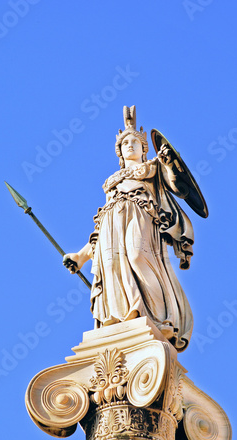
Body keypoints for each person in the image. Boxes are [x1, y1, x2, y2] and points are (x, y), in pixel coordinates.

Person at [63, 106, 194, 351]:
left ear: (144, 149)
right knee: (111, 264)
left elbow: (179, 189)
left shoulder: (153, 168)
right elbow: (99, 228)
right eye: (125, 144)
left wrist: (169, 164)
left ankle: (160, 320)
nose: (130, 145)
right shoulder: (112, 181)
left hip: (140, 213)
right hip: (112, 221)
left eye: (135, 142)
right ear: (120, 152)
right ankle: (120, 316)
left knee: (137, 257)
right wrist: (80, 257)